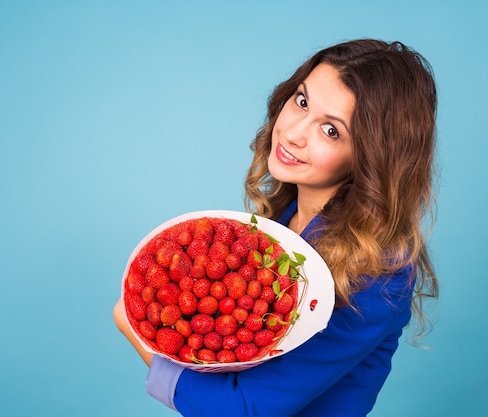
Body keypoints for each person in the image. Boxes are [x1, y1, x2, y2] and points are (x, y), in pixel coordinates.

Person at [113, 38, 439, 416]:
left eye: (330, 130)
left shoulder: (380, 270)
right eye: (302, 101)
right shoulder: (284, 218)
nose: (294, 132)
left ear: (371, 157)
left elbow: (243, 408)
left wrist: (134, 329)